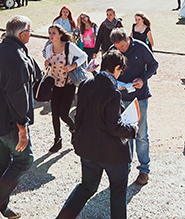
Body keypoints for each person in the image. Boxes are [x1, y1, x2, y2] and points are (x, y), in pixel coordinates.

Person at [55, 49, 137, 219]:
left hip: (88, 148)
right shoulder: (113, 93)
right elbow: (114, 126)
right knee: (118, 191)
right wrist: (132, 130)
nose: (120, 73)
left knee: (87, 187)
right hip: (112, 153)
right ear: (115, 68)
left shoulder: (86, 84)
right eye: (120, 70)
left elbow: (79, 116)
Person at [0, 16, 41, 219]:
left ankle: (0, 207)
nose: (31, 34)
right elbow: (18, 97)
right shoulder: (17, 58)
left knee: (3, 162)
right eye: (30, 30)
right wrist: (22, 128)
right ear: (22, 34)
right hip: (9, 123)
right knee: (24, 160)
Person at [109, 28, 158, 186]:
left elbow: (153, 65)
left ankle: (144, 170)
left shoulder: (141, 47)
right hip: (120, 98)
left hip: (139, 98)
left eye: (122, 46)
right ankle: (126, 165)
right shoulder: (112, 51)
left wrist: (143, 79)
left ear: (128, 39)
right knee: (123, 134)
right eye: (117, 47)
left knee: (141, 135)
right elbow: (107, 71)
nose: (120, 50)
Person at [43, 25, 88, 153]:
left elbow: (83, 56)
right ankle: (57, 140)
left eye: (54, 33)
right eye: (50, 33)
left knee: (63, 113)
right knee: (54, 114)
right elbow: (48, 64)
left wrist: (73, 65)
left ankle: (74, 129)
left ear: (60, 35)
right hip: (55, 84)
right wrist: (46, 64)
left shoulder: (69, 46)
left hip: (68, 84)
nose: (51, 35)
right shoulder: (48, 48)